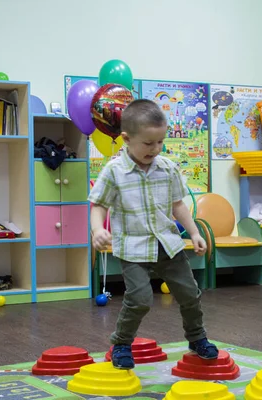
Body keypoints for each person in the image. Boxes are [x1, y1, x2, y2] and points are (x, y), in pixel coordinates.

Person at [89, 99, 218, 369]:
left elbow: (178, 205)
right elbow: (98, 204)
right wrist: (98, 229)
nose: (155, 149)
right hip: (133, 249)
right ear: (126, 138)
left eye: (160, 142)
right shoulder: (114, 171)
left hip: (168, 244)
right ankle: (122, 343)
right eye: (148, 143)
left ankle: (197, 338)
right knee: (139, 299)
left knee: (190, 293)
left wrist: (194, 233)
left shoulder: (167, 168)